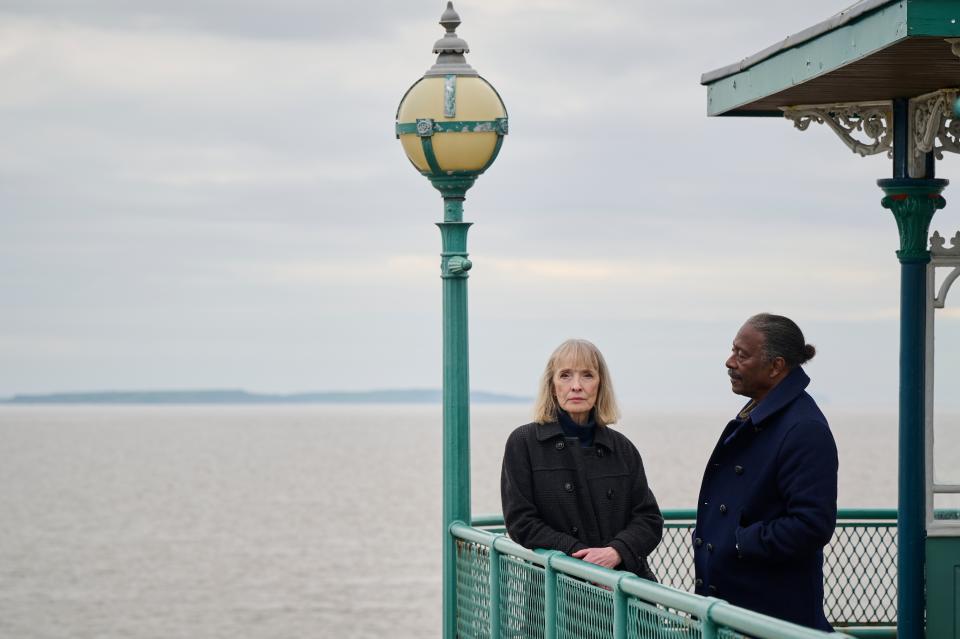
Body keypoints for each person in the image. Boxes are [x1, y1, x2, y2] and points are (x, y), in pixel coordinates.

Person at [693, 313, 838, 631]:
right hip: (735, 612)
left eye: (741, 354)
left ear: (775, 366)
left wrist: (738, 543)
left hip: (770, 619)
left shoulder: (804, 428)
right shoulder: (763, 415)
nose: (729, 362)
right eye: (733, 351)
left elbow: (812, 525)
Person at [501, 339, 663, 579]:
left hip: (625, 588)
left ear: (600, 384)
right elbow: (521, 522)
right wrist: (580, 555)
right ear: (552, 385)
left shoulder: (622, 448)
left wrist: (616, 551)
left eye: (587, 375)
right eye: (565, 375)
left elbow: (649, 519)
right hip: (557, 590)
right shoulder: (524, 443)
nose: (576, 386)